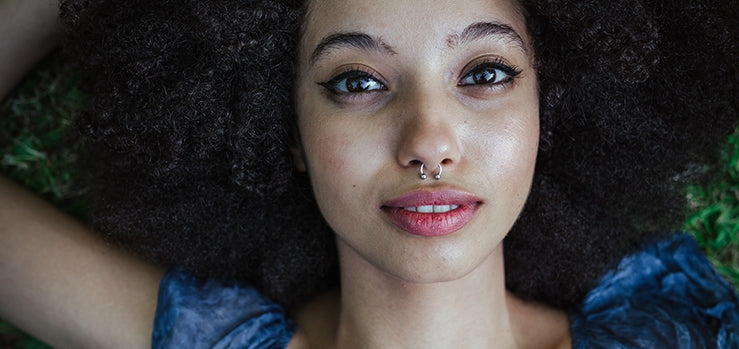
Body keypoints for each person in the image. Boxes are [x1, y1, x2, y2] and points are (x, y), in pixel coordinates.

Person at [1, 0, 738, 347]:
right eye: (355, 81)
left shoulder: (679, 327)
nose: (428, 142)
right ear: (285, 130)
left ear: (550, 109)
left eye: (484, 72)